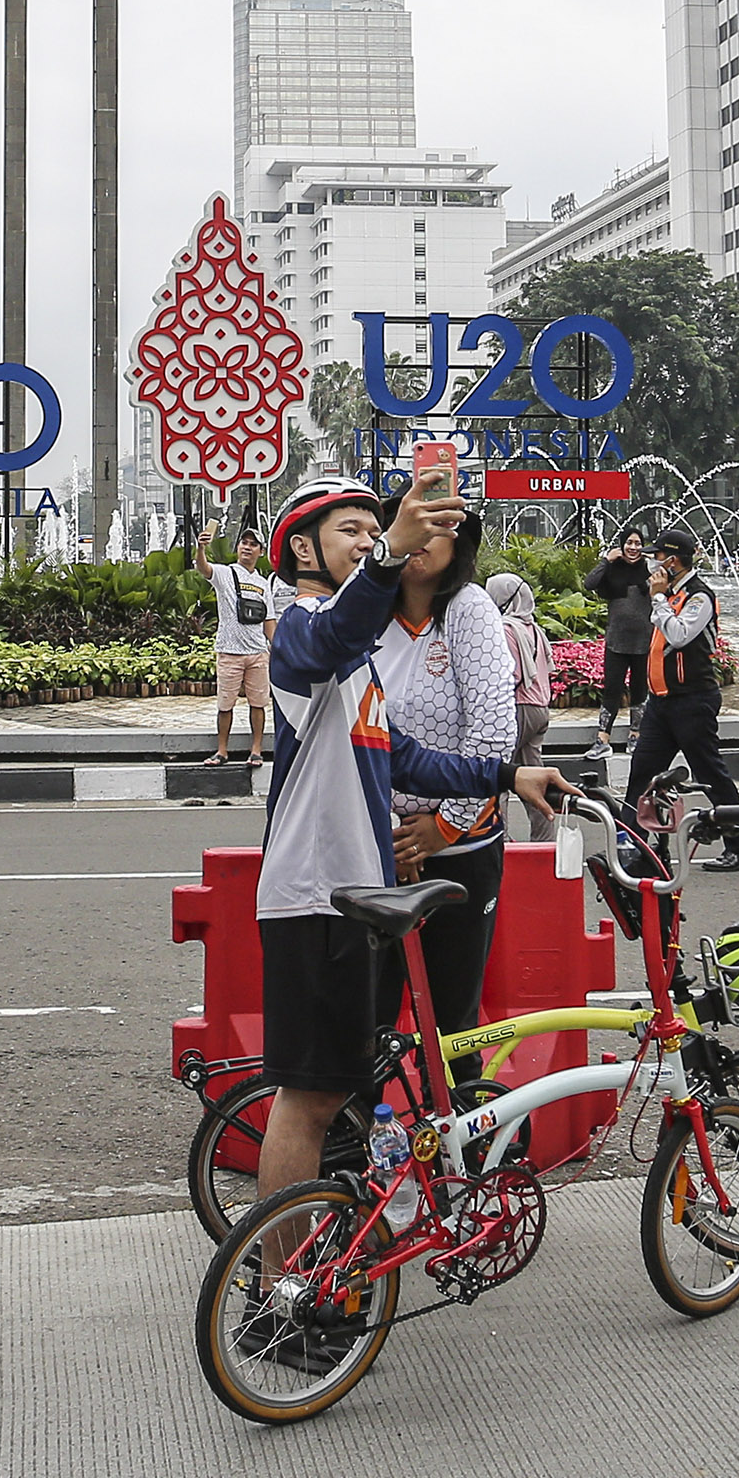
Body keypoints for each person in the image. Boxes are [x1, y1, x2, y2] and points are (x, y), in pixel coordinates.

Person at [247, 481, 581, 1213]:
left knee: (344, 1081)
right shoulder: (300, 631)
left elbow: (406, 758)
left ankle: (336, 1240)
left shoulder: (356, 661)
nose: (370, 541)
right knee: (308, 1103)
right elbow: (335, 630)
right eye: (353, 530)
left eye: (377, 530)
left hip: (353, 891)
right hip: (316, 893)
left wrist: (507, 773)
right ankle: (280, 1291)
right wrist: (394, 549)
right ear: (303, 549)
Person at [371, 492, 522, 1054]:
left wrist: (445, 826)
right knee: (373, 1015)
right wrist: (390, 827)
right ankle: (366, 1134)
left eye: (437, 528)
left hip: (462, 847)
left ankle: (465, 1137)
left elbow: (492, 731)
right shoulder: (366, 612)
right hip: (379, 844)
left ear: (459, 542)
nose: (420, 540)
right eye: (410, 526)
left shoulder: (469, 608)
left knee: (454, 1020)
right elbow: (349, 729)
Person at [630, 529, 739, 862]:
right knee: (642, 772)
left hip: (693, 699)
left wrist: (657, 598)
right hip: (662, 702)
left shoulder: (699, 596)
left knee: (710, 775)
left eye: (658, 556)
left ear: (674, 560)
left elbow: (680, 635)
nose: (653, 562)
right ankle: (632, 843)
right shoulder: (671, 593)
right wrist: (660, 597)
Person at [481, 571, 558, 859]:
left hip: (518, 708)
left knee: (499, 776)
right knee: (533, 776)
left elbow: (507, 673)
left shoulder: (503, 628)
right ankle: (544, 839)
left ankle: (497, 839)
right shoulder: (532, 627)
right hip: (540, 709)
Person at [205, 529, 275, 767]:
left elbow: (269, 620)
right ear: (238, 548)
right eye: (243, 543)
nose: (247, 547)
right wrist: (200, 549)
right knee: (225, 704)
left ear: (260, 552)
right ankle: (221, 750)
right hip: (229, 651)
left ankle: (256, 749)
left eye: (253, 544)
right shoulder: (225, 573)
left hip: (257, 652)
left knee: (258, 703)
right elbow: (204, 569)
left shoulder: (264, 584)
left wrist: (279, 649)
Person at [589, 525, 656, 741]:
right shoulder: (612, 569)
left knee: (639, 689)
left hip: (643, 641)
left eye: (638, 543)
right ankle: (603, 736)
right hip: (616, 641)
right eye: (629, 543)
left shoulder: (649, 569)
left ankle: (636, 734)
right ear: (622, 544)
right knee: (612, 688)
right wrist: (606, 561)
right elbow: (589, 583)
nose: (633, 547)